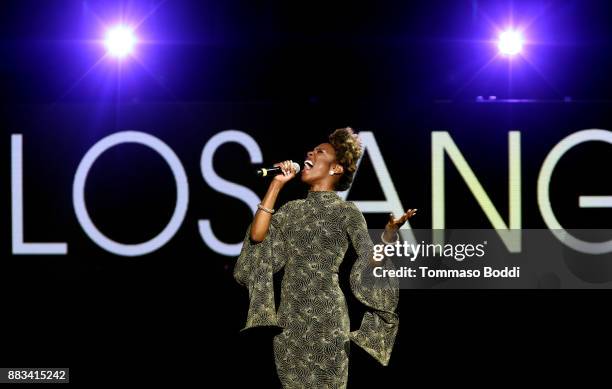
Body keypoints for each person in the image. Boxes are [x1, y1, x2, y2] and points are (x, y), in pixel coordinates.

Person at [234, 127, 416, 388]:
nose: (310, 153)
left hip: (329, 318)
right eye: (312, 150)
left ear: (336, 169)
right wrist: (276, 183)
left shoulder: (346, 211)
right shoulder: (290, 210)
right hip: (290, 319)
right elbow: (258, 236)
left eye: (320, 152)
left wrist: (388, 236)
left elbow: (370, 260)